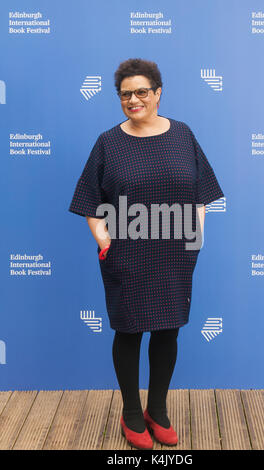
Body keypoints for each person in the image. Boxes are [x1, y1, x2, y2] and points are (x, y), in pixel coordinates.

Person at [68, 58, 224, 450]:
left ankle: (158, 408)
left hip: (174, 251)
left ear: (157, 93)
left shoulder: (183, 134)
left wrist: (195, 237)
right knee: (130, 330)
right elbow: (89, 200)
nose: (133, 100)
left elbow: (202, 191)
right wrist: (105, 243)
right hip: (127, 252)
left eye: (141, 92)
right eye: (125, 94)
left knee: (168, 328)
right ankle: (132, 413)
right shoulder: (108, 142)